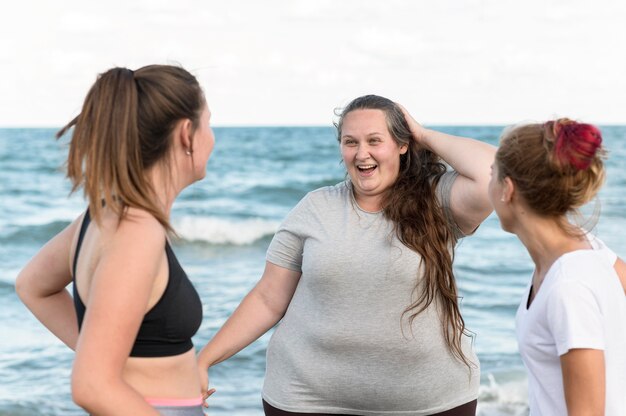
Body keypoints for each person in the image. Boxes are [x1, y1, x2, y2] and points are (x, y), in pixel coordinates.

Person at [198, 95, 496, 415]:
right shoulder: (315, 207)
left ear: (402, 144)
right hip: (307, 399)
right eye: (350, 142)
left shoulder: (439, 199)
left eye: (374, 140)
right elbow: (269, 298)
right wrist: (204, 360)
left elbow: (494, 172)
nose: (361, 153)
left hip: (431, 402)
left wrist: (423, 134)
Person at [15, 65, 215, 416]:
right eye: (209, 124)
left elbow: (32, 285)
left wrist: (111, 359)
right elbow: (91, 386)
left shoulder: (105, 215)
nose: (213, 138)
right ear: (187, 133)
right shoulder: (137, 231)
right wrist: (108, 374)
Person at [488, 119, 626, 415]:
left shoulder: (568, 286)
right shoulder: (586, 248)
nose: (488, 185)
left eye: (492, 176)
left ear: (507, 189)